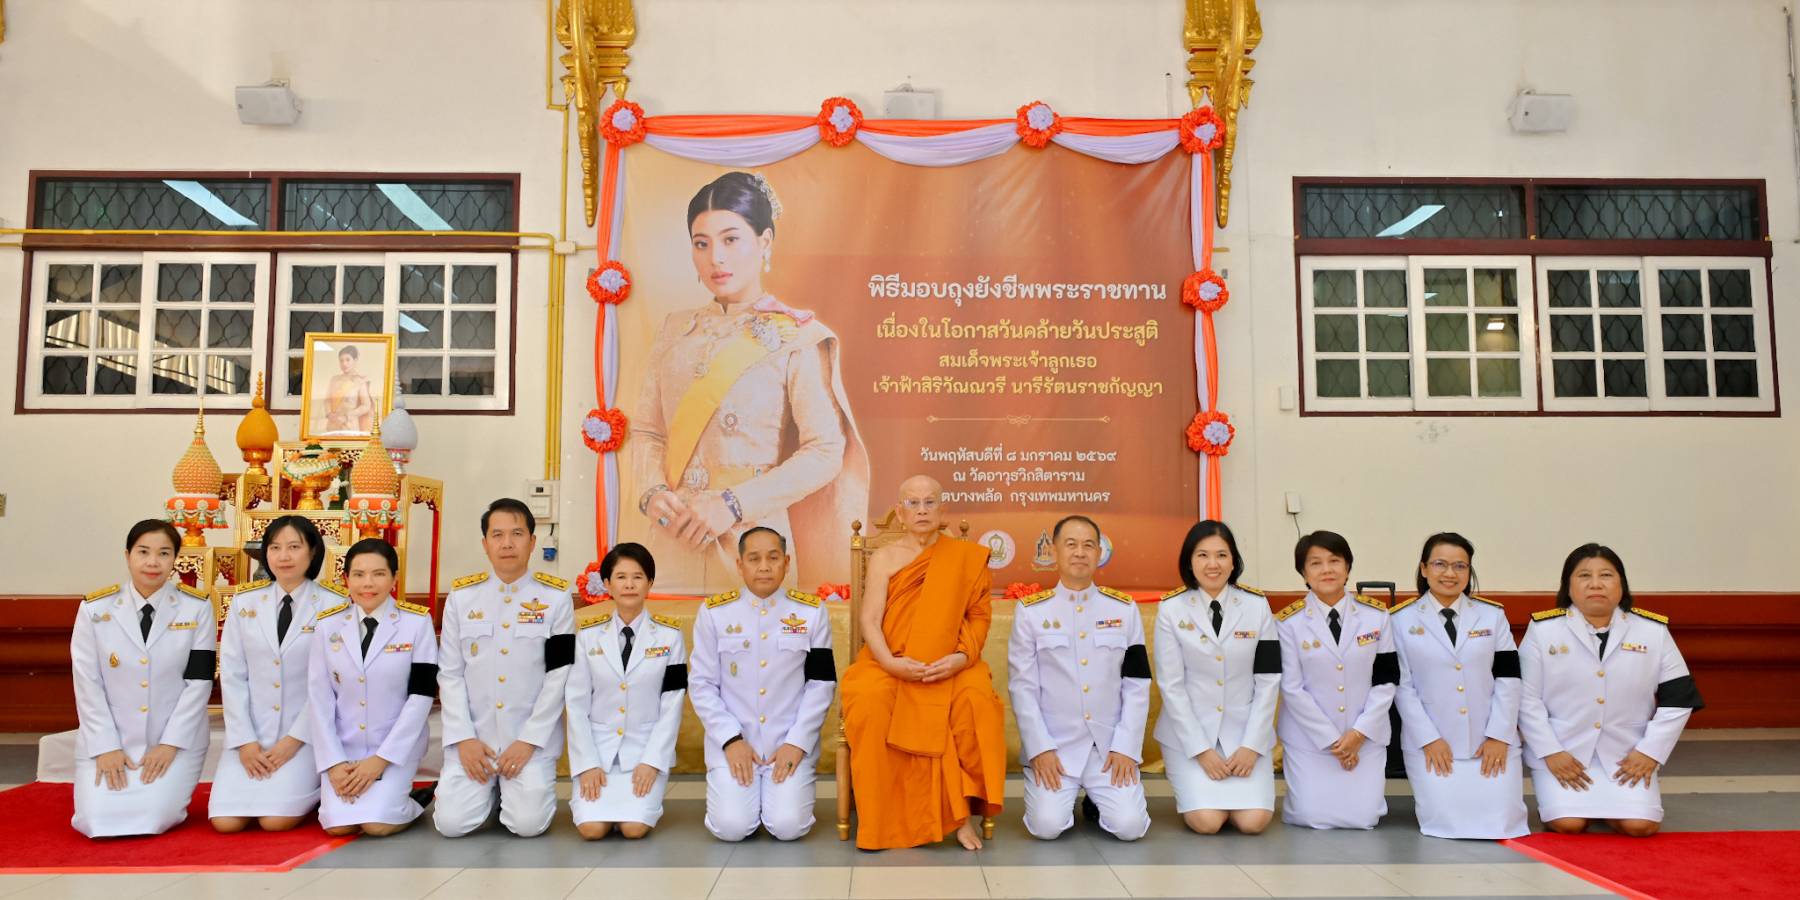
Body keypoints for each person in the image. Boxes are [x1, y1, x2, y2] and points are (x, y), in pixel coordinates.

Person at [632, 171, 869, 592]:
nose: (716, 258)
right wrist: (651, 494)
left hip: (753, 540)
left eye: (731, 239)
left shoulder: (795, 336)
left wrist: (733, 504)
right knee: (667, 634)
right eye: (701, 243)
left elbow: (825, 450)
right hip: (674, 538)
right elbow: (648, 432)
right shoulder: (674, 331)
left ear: (764, 242)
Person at [840, 475, 1006, 850]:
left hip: (951, 661)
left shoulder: (964, 557)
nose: (921, 510)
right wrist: (890, 664)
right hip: (892, 662)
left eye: (929, 502)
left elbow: (979, 618)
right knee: (869, 700)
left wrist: (960, 659)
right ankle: (884, 818)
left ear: (942, 510)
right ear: (899, 513)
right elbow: (870, 620)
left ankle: (960, 816)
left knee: (975, 702)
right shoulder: (884, 558)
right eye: (912, 503)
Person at [1519, 543, 1702, 837]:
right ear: (1568, 586)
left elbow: (1679, 698)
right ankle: (1587, 807)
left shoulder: (1652, 631)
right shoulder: (1543, 630)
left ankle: (1612, 808)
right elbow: (1525, 698)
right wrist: (1550, 751)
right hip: (1565, 752)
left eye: (1606, 575)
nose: (1595, 584)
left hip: (1626, 755)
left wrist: (1650, 752)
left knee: (1640, 827)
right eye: (1584, 576)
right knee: (1568, 824)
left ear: (1621, 584)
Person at [433, 499, 576, 838]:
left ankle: (505, 793)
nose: (507, 543)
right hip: (475, 738)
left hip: (528, 740)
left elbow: (559, 675)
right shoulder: (461, 598)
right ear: (485, 543)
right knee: (451, 825)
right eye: (497, 535)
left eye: (517, 534)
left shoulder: (556, 599)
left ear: (532, 541)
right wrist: (464, 738)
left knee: (527, 826)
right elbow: (450, 674)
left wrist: (529, 740)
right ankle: (490, 791)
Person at [1008, 515, 1151, 842]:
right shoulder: (1031, 612)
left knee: (1130, 827)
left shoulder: (1124, 609)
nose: (1080, 552)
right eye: (1070, 544)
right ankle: (1069, 797)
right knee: (1047, 827)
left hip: (1108, 747)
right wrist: (1040, 748)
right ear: (1054, 551)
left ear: (1100, 552)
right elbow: (1022, 688)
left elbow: (1137, 684)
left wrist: (1126, 747)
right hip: (1056, 747)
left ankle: (1096, 802)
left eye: (1088, 545)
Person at [687, 526, 836, 841]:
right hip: (734, 744)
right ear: (740, 565)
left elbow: (821, 683)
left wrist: (797, 742)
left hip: (788, 742)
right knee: (731, 828)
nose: (764, 567)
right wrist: (730, 740)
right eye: (754, 559)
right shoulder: (715, 613)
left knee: (788, 826)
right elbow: (702, 684)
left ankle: (773, 796)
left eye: (773, 557)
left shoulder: (810, 612)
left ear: (787, 562)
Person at [71, 519, 216, 838]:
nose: (153, 562)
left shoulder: (197, 608)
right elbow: (87, 683)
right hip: (111, 737)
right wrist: (106, 746)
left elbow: (199, 682)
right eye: (143, 552)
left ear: (175, 559)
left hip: (175, 739)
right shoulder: (95, 609)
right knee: (95, 820)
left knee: (156, 817)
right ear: (127, 556)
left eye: (164, 553)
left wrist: (170, 743)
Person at [1390, 532, 1527, 840]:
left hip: (1488, 740)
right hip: (1433, 743)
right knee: (1446, 823)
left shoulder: (1493, 616)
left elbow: (1509, 678)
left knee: (1503, 823)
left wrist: (1499, 735)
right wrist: (1429, 739)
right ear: (1424, 569)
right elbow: (1402, 687)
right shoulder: (1399, 620)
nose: (1450, 573)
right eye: (1440, 564)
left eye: (1460, 566)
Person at [1152, 520, 1279, 836]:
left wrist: (1252, 745)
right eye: (1203, 555)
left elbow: (1268, 679)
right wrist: (1201, 750)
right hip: (1190, 735)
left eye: (1221, 555)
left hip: (1244, 732)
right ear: (1189, 561)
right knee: (1207, 822)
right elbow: (1171, 686)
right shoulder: (1171, 609)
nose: (1213, 564)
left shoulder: (1256, 606)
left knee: (1253, 822)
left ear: (1233, 561)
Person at [211, 515, 334, 832]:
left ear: (312, 552)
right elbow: (233, 676)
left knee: (275, 821)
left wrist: (294, 740)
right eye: (275, 547)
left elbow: (328, 684)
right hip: (252, 734)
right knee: (225, 822)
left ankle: (319, 788)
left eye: (294, 547)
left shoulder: (333, 605)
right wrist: (245, 741)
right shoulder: (244, 603)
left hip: (304, 736)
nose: (284, 556)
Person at [309, 538, 437, 836]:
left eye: (379, 574)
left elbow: (421, 697)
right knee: (338, 826)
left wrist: (381, 760)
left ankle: (417, 802)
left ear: (394, 578)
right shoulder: (328, 626)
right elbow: (319, 698)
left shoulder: (416, 623)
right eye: (358, 574)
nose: (368, 583)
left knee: (377, 824)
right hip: (344, 749)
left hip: (394, 748)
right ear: (346, 579)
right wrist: (333, 762)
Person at [1274, 530, 1396, 830]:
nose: (1326, 570)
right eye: (1315, 563)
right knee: (1311, 815)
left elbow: (1386, 681)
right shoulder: (1288, 623)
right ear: (1303, 573)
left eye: (1334, 561)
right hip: (1310, 739)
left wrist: (1358, 734)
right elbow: (1292, 688)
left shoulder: (1377, 616)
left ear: (1348, 567)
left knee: (1364, 818)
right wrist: (1333, 741)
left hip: (1365, 737)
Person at [566, 542, 687, 839]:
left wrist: (652, 762)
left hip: (644, 752)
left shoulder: (670, 637)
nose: (629, 584)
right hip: (598, 752)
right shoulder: (587, 637)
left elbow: (672, 705)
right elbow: (576, 704)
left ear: (650, 583)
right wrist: (587, 763)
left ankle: (645, 793)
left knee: (633, 829)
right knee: (592, 830)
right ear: (607, 584)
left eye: (637, 577)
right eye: (621, 577)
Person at [323, 344, 375, 435]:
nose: (344, 364)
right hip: (332, 427)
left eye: (348, 360)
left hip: (350, 427)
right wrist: (330, 414)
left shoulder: (360, 381)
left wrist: (347, 416)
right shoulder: (334, 380)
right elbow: (327, 400)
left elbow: (366, 405)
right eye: (341, 360)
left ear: (355, 360)